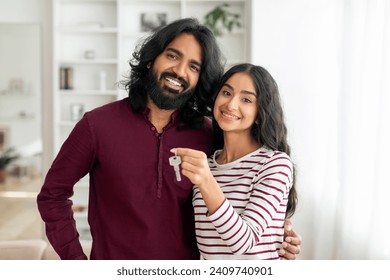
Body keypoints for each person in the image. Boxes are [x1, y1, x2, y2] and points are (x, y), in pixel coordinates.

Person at [37, 18, 300, 260]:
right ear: (151, 59)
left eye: (194, 67)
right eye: (173, 56)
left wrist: (279, 234)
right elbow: (53, 195)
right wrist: (76, 264)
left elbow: (240, 197)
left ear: (199, 79)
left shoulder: (209, 135)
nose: (180, 71)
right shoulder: (97, 125)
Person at [173, 63, 297, 259]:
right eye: (227, 93)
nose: (231, 105)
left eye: (246, 99)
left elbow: (243, 242)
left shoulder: (275, 164)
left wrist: (206, 181)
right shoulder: (207, 165)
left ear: (260, 114)